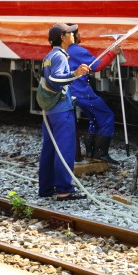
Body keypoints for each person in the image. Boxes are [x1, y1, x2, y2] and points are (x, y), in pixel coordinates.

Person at [38, 23, 91, 201]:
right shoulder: (60, 56)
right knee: (65, 149)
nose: (73, 34)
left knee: (49, 150)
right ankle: (64, 190)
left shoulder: (49, 55)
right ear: (62, 37)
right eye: (70, 32)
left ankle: (45, 188)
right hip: (61, 110)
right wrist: (76, 73)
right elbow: (54, 78)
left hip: (50, 110)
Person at [66, 27, 122, 165]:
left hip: (71, 92)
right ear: (72, 36)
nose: (80, 35)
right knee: (107, 116)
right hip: (81, 92)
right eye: (78, 33)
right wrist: (113, 53)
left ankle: (91, 154)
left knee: (94, 118)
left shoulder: (63, 50)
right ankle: (100, 153)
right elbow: (97, 66)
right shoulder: (77, 50)